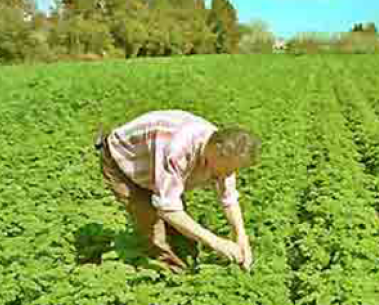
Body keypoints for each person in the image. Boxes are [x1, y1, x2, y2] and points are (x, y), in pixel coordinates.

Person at [95, 110, 259, 272]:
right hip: (126, 161)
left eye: (233, 170)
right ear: (216, 150)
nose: (227, 175)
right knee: (154, 228)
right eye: (227, 169)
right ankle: (172, 275)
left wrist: (240, 236)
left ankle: (189, 262)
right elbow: (169, 210)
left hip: (157, 161)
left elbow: (228, 198)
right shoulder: (177, 149)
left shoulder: (226, 153)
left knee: (181, 230)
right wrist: (216, 243)